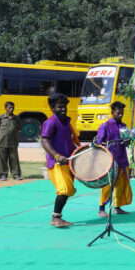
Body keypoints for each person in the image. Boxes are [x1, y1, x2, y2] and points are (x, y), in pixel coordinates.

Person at [40, 93, 80, 228]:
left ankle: (57, 217)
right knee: (64, 189)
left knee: (68, 190)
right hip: (57, 162)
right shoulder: (51, 122)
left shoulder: (66, 122)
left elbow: (69, 141)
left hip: (68, 162)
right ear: (52, 108)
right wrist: (56, 155)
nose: (63, 109)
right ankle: (56, 218)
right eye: (60, 107)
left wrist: (80, 152)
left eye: (65, 107)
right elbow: (44, 141)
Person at [95, 101, 133, 218]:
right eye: (118, 113)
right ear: (112, 112)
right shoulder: (105, 126)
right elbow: (99, 143)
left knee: (120, 185)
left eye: (122, 113)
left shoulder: (124, 126)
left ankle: (117, 207)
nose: (120, 115)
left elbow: (127, 142)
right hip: (110, 161)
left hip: (122, 160)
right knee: (107, 186)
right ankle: (101, 209)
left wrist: (128, 141)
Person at [0, 101, 22, 180]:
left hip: (13, 142)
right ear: (5, 108)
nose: (11, 109)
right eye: (9, 107)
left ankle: (16, 175)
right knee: (2, 160)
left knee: (14, 159)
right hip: (1, 142)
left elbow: (18, 128)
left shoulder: (16, 118)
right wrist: (0, 137)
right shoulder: (0, 117)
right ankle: (2, 175)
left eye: (13, 107)